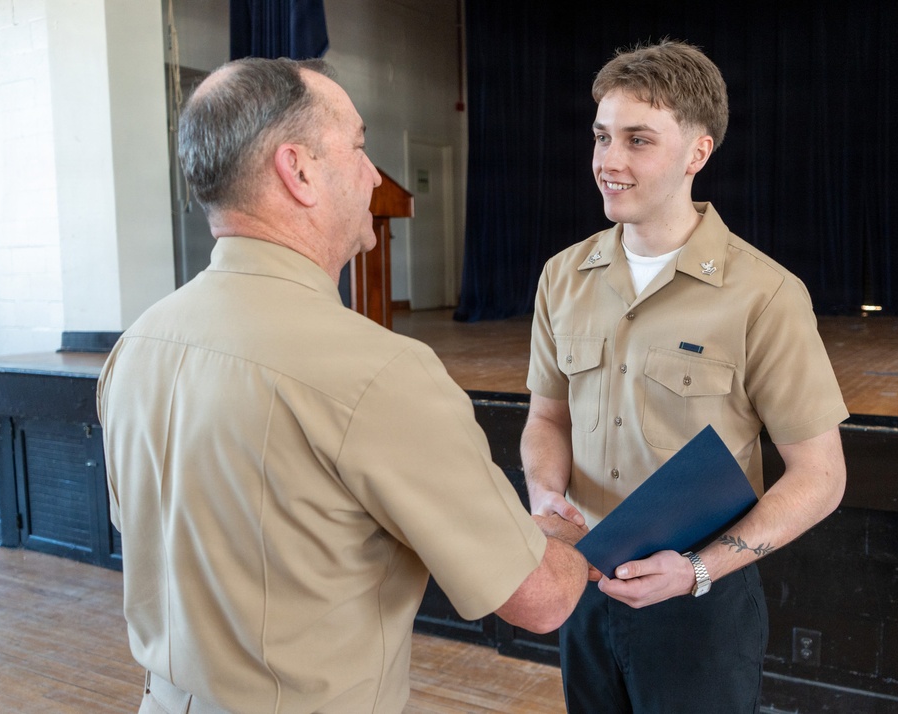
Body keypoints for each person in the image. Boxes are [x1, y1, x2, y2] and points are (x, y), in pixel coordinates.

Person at [96, 57, 588, 714]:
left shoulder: (137, 346)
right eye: (358, 146)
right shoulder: (379, 374)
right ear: (297, 171)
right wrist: (569, 538)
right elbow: (541, 600)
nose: (373, 174)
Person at [521, 39, 849, 713]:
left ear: (698, 153)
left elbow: (821, 476)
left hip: (700, 601)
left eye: (638, 140)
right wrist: (544, 493)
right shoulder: (561, 277)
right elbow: (546, 418)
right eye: (602, 136)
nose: (609, 162)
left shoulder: (765, 294)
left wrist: (698, 569)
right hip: (582, 580)